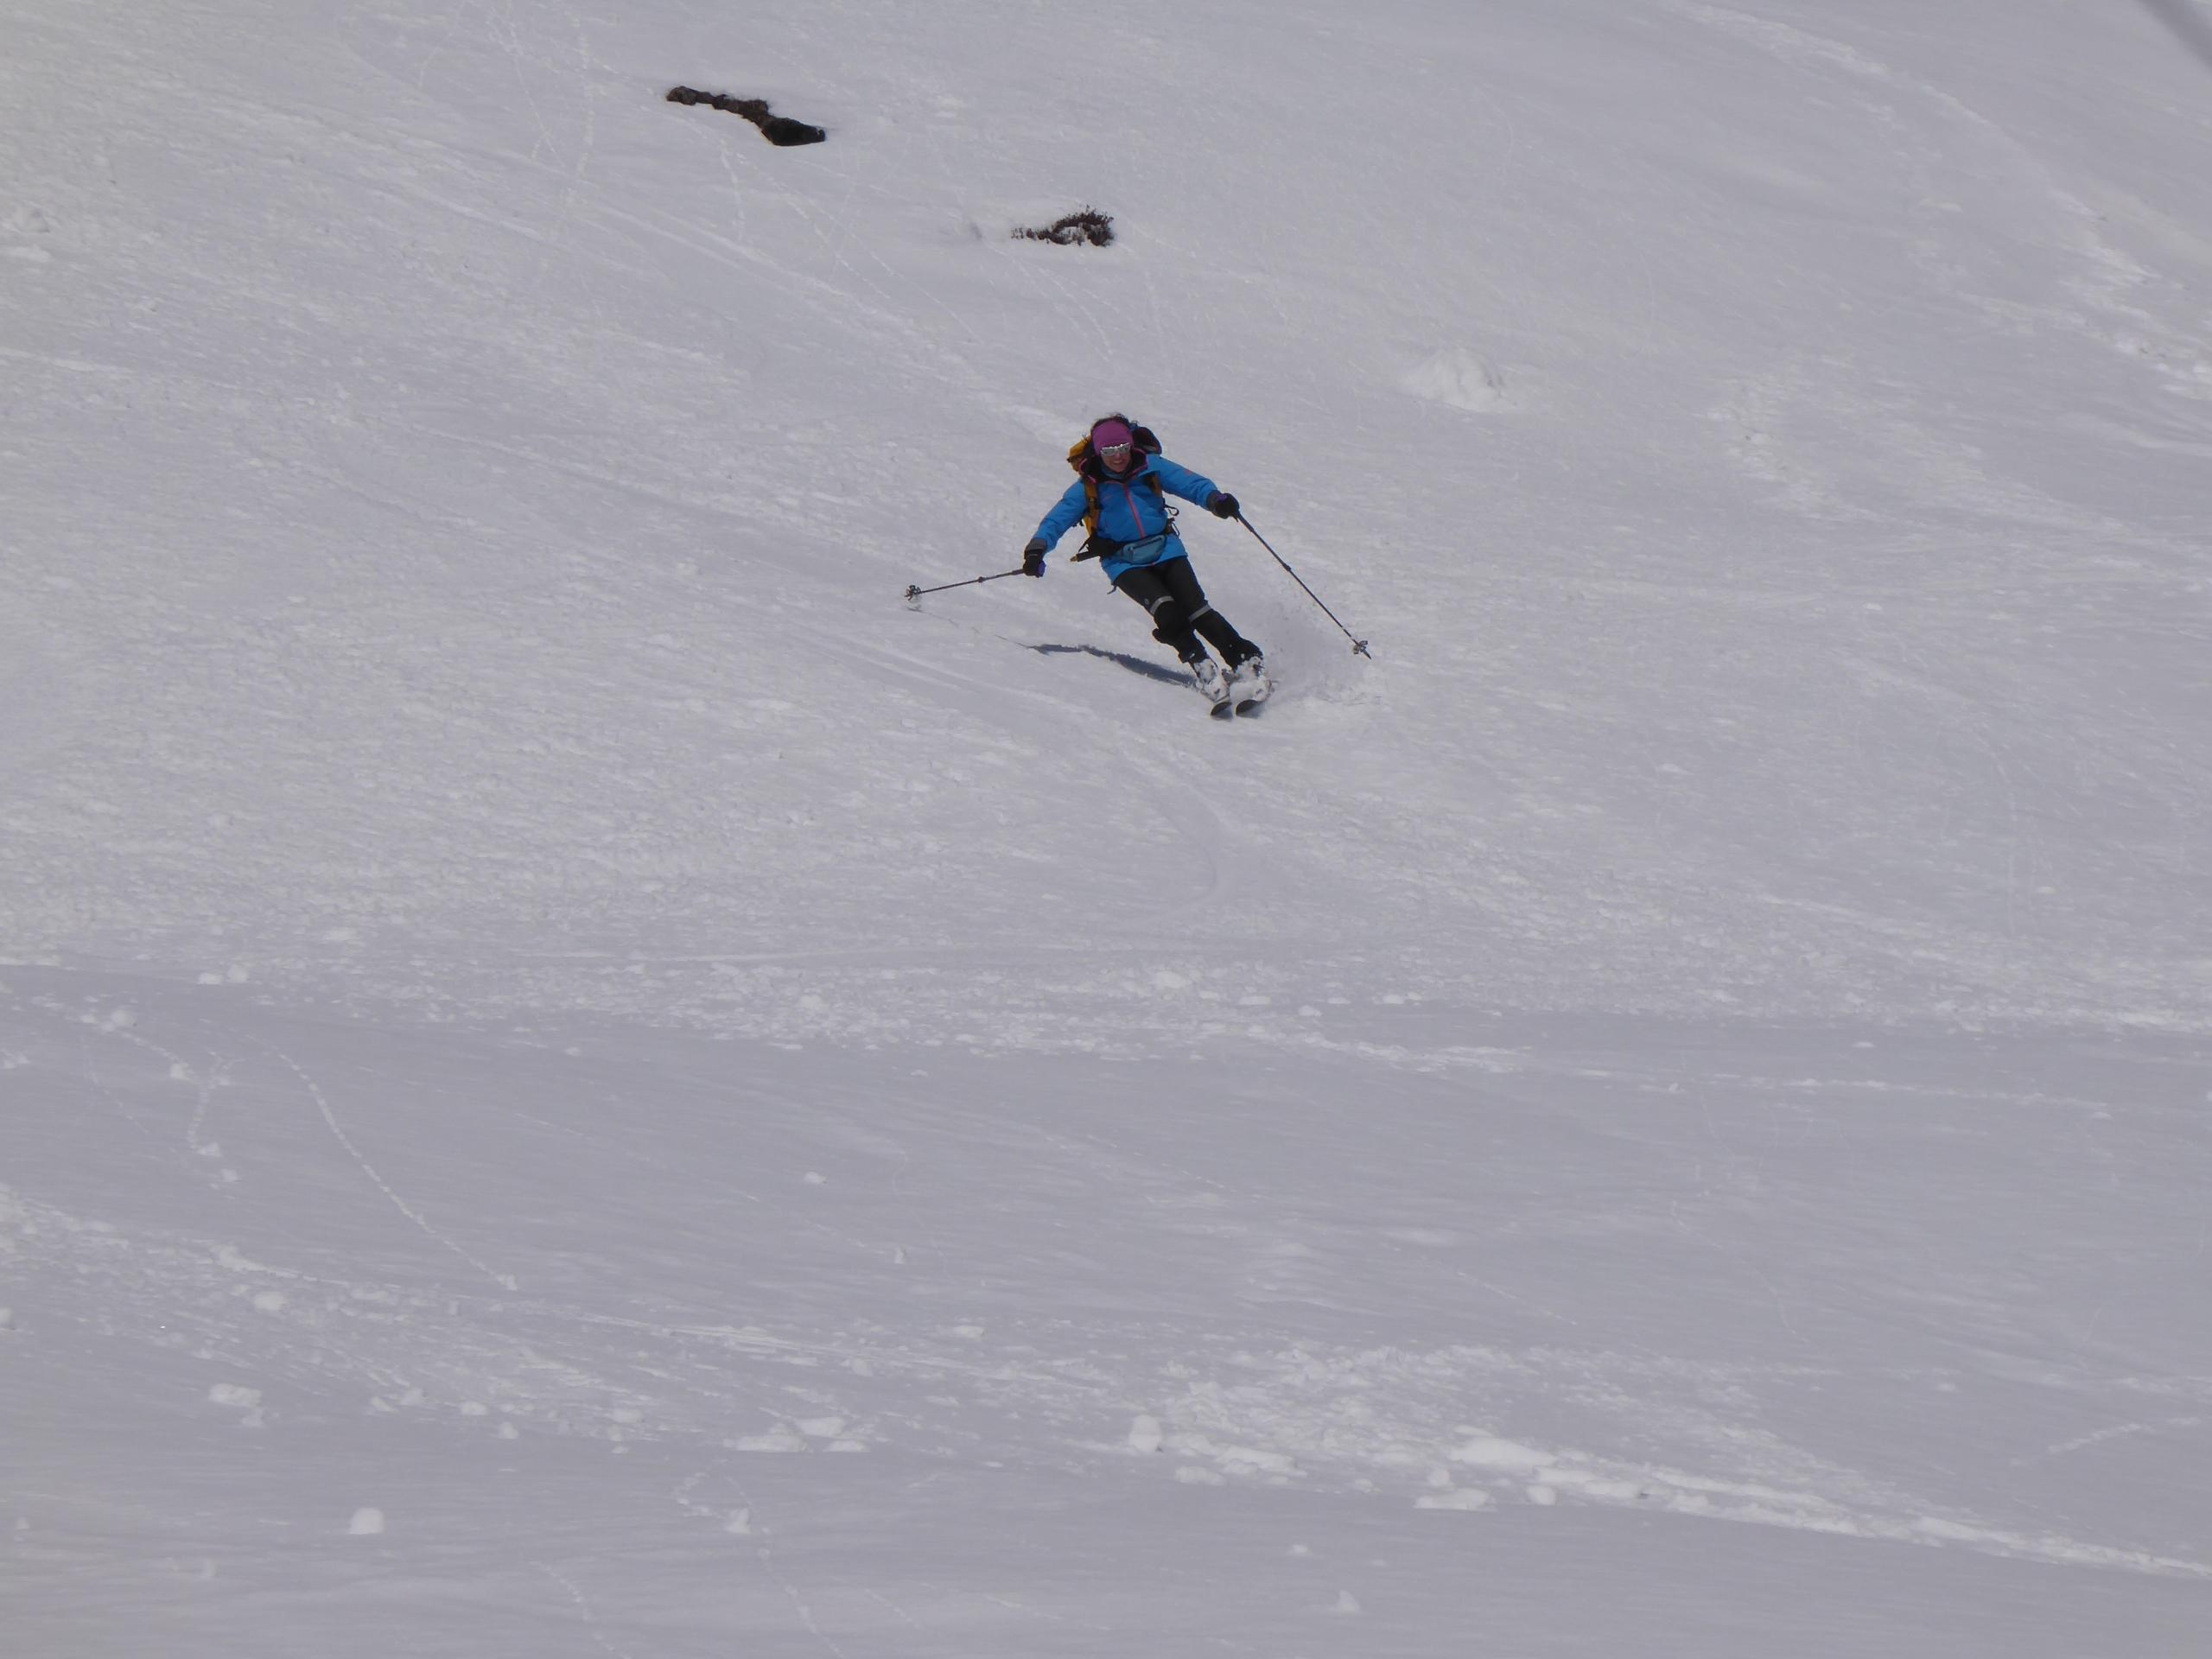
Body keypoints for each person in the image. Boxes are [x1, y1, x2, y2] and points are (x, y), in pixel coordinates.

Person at [1023, 416, 1267, 708]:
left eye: (1123, 448)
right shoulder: (1087, 487)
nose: (1118, 456)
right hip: (1124, 563)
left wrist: (1216, 500)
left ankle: (1245, 659)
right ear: (1098, 452)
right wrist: (1037, 550)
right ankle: (1203, 666)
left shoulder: (1150, 466)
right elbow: (1057, 520)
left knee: (1197, 610)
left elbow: (1190, 483)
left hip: (1167, 549)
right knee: (1168, 614)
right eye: (1109, 451)